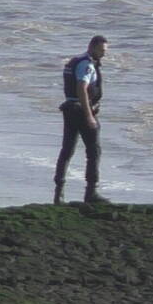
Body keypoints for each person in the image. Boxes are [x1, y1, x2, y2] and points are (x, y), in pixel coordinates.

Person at [53, 35, 110, 204]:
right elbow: (81, 89)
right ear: (92, 47)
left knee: (67, 150)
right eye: (101, 50)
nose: (103, 54)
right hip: (80, 110)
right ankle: (91, 193)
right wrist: (89, 116)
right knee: (94, 151)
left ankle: (59, 193)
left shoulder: (74, 61)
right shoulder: (87, 64)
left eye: (105, 51)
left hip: (69, 109)